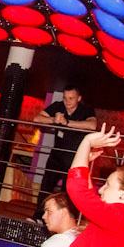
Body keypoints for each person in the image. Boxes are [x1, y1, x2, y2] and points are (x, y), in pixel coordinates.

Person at [32, 85, 96, 220]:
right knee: (46, 186)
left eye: (71, 98)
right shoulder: (58, 106)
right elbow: (37, 118)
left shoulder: (86, 110)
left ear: (79, 98)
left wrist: (67, 122)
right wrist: (53, 120)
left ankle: (63, 221)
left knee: (67, 192)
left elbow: (92, 125)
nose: (67, 101)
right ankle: (38, 217)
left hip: (74, 158)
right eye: (65, 98)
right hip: (56, 154)